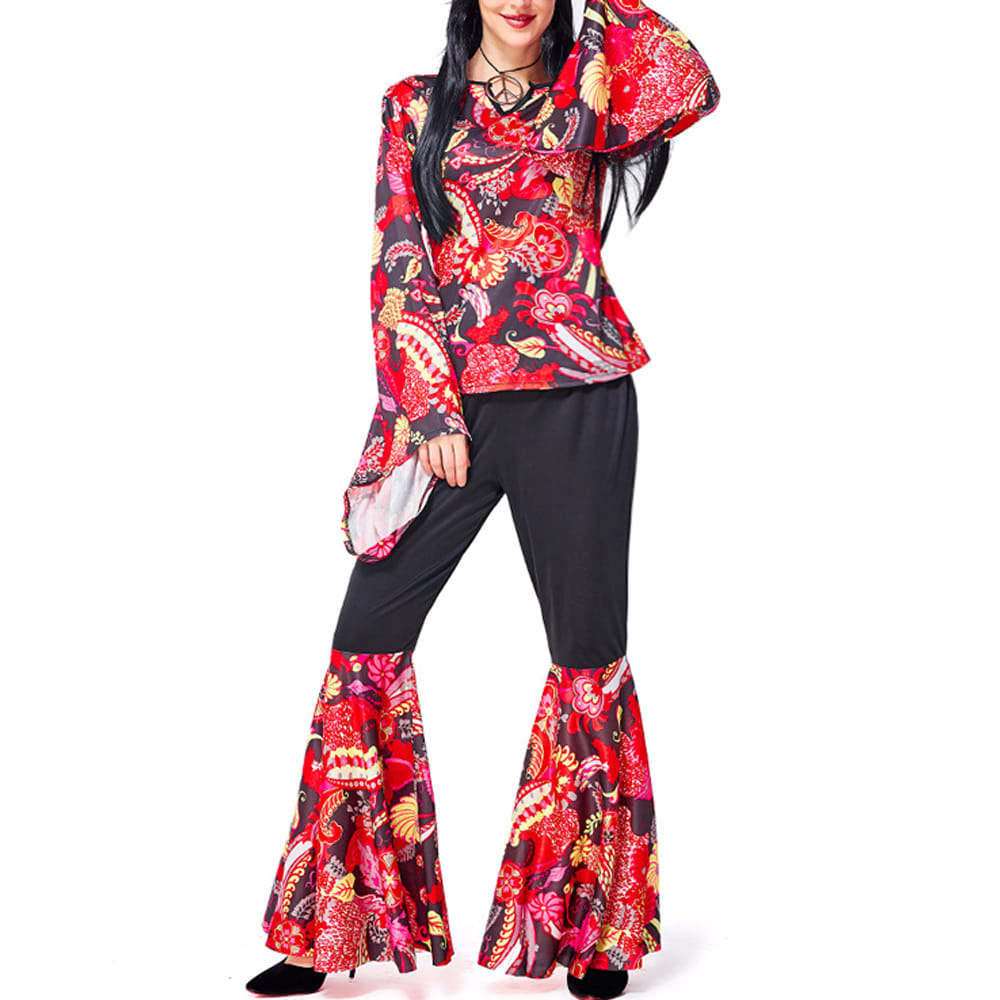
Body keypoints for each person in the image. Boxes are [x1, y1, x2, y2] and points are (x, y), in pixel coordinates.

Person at [246, 1, 720, 997]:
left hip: (581, 400)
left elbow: (689, 81)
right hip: (451, 416)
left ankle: (592, 934)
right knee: (366, 638)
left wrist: (606, 16)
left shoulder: (589, 95)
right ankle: (326, 930)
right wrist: (429, 410)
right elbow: (398, 259)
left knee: (587, 652)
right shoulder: (414, 107)